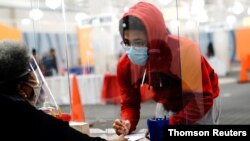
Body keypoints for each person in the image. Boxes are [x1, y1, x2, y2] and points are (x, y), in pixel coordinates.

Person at [113, 2, 220, 135]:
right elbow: (130, 103)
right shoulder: (125, 65)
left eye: (139, 42)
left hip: (199, 100)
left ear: (154, 37)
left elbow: (202, 99)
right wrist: (127, 122)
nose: (132, 49)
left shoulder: (184, 52)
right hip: (167, 100)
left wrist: (171, 125)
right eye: (127, 43)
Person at [0, 40, 126, 141]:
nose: (36, 81)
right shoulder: (25, 115)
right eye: (31, 77)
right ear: (20, 88)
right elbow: (64, 135)